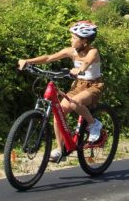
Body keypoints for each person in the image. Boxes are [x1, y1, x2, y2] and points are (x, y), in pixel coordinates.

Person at [18, 20, 104, 160]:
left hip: (93, 86)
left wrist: (79, 69)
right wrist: (28, 61)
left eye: (74, 38)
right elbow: (49, 58)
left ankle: (94, 124)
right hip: (77, 86)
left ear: (85, 41)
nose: (71, 40)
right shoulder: (71, 51)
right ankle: (60, 149)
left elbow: (87, 61)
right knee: (59, 112)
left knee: (75, 102)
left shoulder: (93, 51)